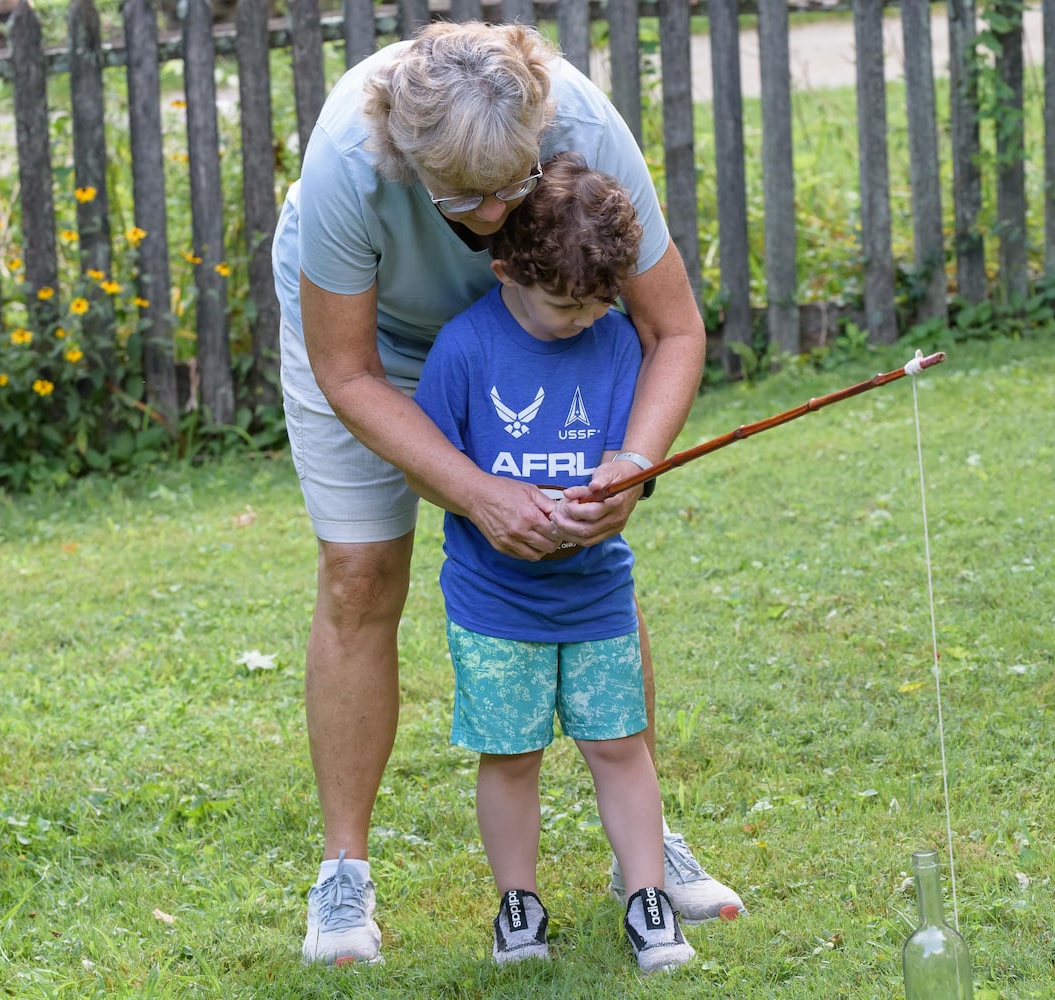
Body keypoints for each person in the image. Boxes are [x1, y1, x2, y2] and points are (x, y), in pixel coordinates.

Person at [271, 21, 742, 966]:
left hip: (546, 318)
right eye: (461, 197)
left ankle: (639, 854)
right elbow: (348, 371)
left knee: (590, 553)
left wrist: (630, 464)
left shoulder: (586, 128)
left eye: (511, 187)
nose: (490, 214)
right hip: (378, 348)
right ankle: (343, 877)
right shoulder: (346, 162)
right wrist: (478, 492)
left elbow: (675, 329)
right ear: (407, 154)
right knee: (360, 574)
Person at [410, 151, 696, 972]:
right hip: (493, 604)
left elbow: (623, 454)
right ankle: (519, 906)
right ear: (505, 271)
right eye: (562, 306)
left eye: (597, 306)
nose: (580, 321)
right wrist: (486, 499)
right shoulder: (464, 351)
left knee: (619, 745)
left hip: (595, 596)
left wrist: (621, 480)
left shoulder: (612, 344)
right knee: (510, 757)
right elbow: (433, 468)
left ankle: (646, 894)